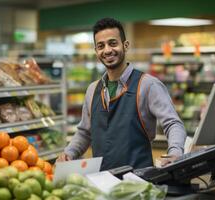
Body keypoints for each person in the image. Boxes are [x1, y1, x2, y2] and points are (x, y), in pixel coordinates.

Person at [56, 17, 186, 170]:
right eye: (101, 46)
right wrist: (69, 153)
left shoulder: (148, 85)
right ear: (96, 51)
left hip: (139, 182)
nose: (107, 50)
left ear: (125, 45)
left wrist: (175, 152)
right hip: (101, 181)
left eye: (112, 43)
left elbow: (173, 123)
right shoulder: (92, 90)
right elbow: (85, 133)